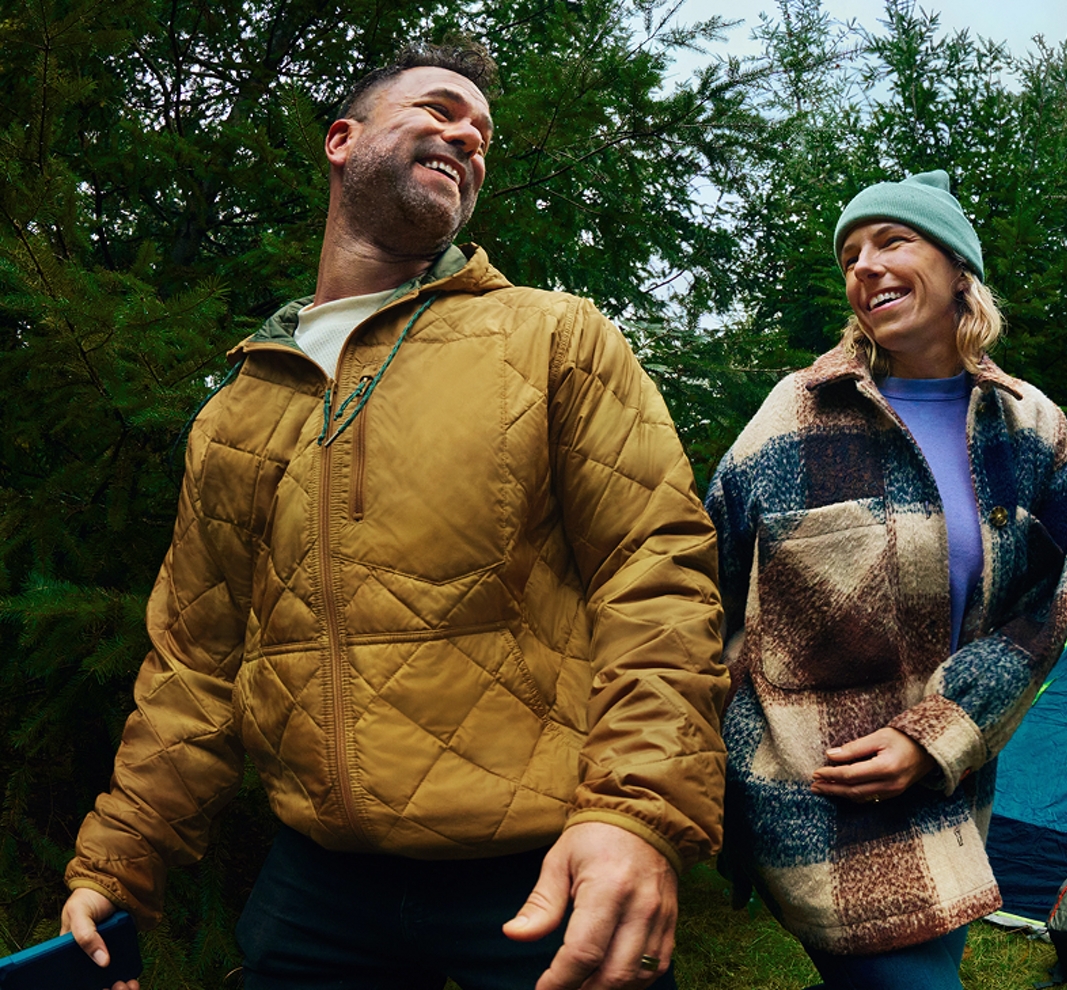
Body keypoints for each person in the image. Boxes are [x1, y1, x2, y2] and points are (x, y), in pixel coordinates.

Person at [59, 39, 728, 990]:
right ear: (344, 139)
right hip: (315, 889)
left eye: (483, 134)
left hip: (539, 870)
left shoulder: (549, 336)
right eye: (440, 109)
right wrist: (118, 863)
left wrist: (637, 814)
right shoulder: (237, 412)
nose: (467, 134)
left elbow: (656, 575)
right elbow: (194, 667)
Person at [704, 170, 1067, 989]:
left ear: (957, 268)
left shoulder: (1033, 429)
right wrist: (731, 740)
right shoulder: (792, 415)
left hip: (952, 780)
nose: (865, 266)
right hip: (815, 790)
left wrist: (940, 734)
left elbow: (1041, 613)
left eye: (892, 241)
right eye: (850, 254)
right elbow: (705, 585)